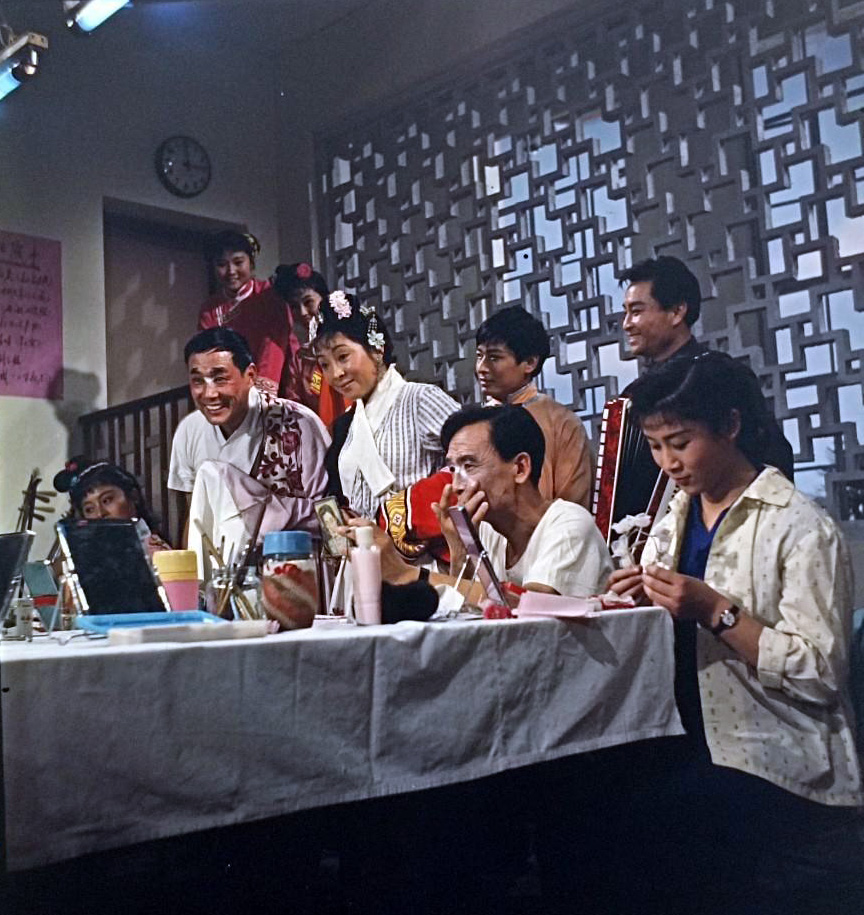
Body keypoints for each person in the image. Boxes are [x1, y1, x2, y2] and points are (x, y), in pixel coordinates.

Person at [607, 352, 863, 914]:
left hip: (771, 747)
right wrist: (639, 600)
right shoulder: (675, 517)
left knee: (647, 835)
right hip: (685, 734)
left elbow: (821, 673)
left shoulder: (799, 526)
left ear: (730, 425)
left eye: (680, 443)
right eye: (655, 446)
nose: (668, 463)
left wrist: (716, 611)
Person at [368, 405, 611, 598]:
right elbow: (466, 611)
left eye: (469, 466)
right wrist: (460, 548)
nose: (456, 485)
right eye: (453, 469)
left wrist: (406, 574)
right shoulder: (487, 529)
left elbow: (528, 611)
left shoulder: (569, 525)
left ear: (520, 468)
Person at [168, 327, 330, 574]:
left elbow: (326, 515)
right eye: (198, 381)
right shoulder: (189, 432)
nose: (209, 394)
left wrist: (260, 511)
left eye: (220, 378)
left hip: (290, 570)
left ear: (251, 375)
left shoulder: (298, 424)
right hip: (221, 577)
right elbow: (196, 518)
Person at [619, 254, 794, 478]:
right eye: (626, 313)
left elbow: (774, 460)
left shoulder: (722, 377)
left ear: (677, 312)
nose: (626, 325)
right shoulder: (633, 395)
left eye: (636, 312)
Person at [313, 290, 459, 521]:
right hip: (365, 542)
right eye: (325, 365)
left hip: (421, 540)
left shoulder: (420, 399)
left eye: (343, 357)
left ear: (377, 349)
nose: (336, 373)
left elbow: (473, 464)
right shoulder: (345, 425)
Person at [475, 306, 594, 509]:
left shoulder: (561, 422)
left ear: (529, 363)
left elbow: (572, 506)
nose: (481, 368)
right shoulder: (475, 423)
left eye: (494, 357)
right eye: (479, 356)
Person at [197, 230, 299, 398]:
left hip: (281, 381)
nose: (231, 271)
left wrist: (261, 393)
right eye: (222, 264)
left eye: (238, 262)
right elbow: (209, 354)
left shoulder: (269, 295)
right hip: (234, 389)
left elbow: (274, 345)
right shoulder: (210, 309)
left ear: (251, 263)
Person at [272, 262, 345, 424]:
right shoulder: (300, 359)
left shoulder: (350, 339)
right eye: (295, 307)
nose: (303, 312)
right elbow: (294, 405)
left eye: (308, 302)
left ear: (325, 299)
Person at [54, 459, 170, 556]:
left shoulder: (157, 552)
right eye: (89, 509)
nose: (100, 514)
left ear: (134, 496)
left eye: (107, 500)